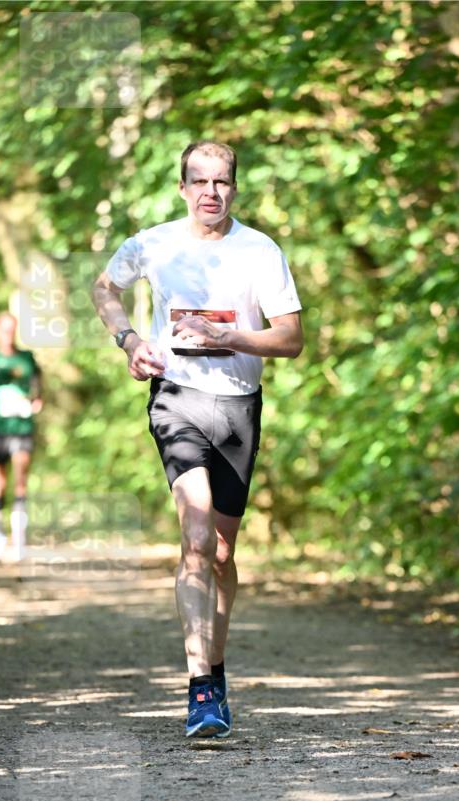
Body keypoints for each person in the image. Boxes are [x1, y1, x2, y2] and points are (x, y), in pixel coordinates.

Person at [91, 140, 303, 739]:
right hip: (176, 399)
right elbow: (104, 287)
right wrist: (130, 341)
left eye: (223, 182)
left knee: (222, 553)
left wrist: (232, 341)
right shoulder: (153, 243)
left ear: (235, 188)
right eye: (200, 181)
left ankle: (215, 667)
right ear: (182, 188)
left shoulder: (261, 251)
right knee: (194, 534)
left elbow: (291, 339)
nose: (211, 191)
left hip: (238, 407)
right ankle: (200, 691)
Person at [0, 312, 43, 562]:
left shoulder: (27, 358)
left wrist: (35, 402)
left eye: (12, 329)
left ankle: (19, 537)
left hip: (21, 427)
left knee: (21, 480)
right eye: (4, 329)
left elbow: (38, 388)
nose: (8, 333)